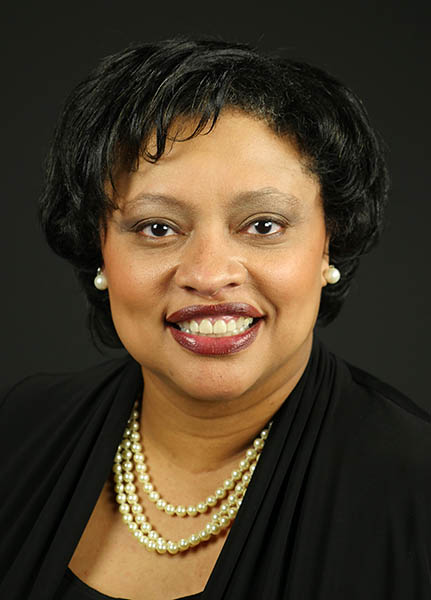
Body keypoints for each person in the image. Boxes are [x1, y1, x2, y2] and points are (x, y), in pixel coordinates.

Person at [1, 36, 430, 600]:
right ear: (97, 249)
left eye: (263, 225)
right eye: (157, 228)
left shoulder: (416, 491)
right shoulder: (19, 428)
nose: (208, 274)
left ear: (330, 242)